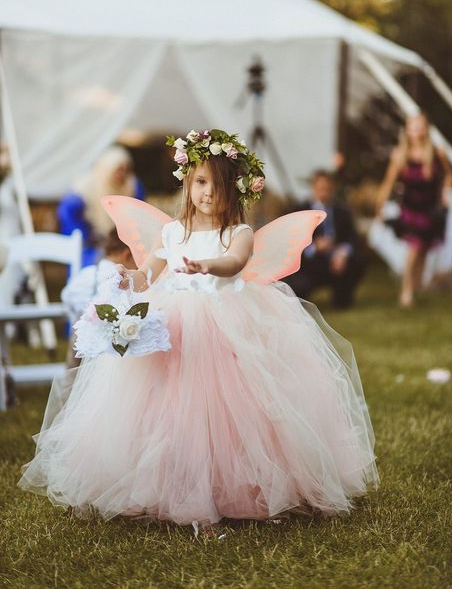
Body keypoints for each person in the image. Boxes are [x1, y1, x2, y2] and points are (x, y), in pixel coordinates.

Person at [19, 129, 378, 530]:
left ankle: (236, 482)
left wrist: (209, 265)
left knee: (232, 405)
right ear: (188, 183)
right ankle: (167, 478)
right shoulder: (172, 233)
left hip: (228, 323)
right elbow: (149, 274)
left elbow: (235, 263)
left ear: (236, 191)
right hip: (174, 326)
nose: (208, 193)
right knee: (167, 404)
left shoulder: (237, 233)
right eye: (201, 182)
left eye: (219, 185)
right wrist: (128, 277)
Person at [376, 113, 452, 308]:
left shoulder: (437, 153)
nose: (416, 130)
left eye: (420, 126)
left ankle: (416, 287)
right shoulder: (400, 155)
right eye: (413, 126)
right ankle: (406, 291)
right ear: (407, 130)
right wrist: (380, 205)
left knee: (424, 248)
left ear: (426, 129)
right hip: (410, 209)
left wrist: (446, 192)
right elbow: (388, 182)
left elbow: (448, 176)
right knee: (415, 247)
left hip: (429, 208)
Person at [285, 170, 367, 308]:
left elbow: (352, 238)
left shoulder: (342, 211)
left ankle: (342, 296)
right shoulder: (300, 210)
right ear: (313, 189)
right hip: (311, 263)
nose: (324, 192)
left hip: (335, 260)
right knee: (300, 283)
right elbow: (292, 242)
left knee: (359, 259)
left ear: (333, 189)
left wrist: (342, 252)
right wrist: (314, 247)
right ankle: (302, 295)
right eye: (320, 188)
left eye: (328, 189)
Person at [57, 145, 145, 267]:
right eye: (118, 169)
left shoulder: (132, 186)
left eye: (126, 169)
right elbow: (68, 216)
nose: (122, 174)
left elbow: (138, 214)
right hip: (90, 244)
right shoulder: (84, 189)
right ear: (107, 169)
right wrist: (88, 236)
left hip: (119, 241)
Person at [61, 229, 136, 368]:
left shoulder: (87, 273)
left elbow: (67, 297)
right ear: (127, 254)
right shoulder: (124, 279)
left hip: (81, 339)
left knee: (72, 383)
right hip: (111, 343)